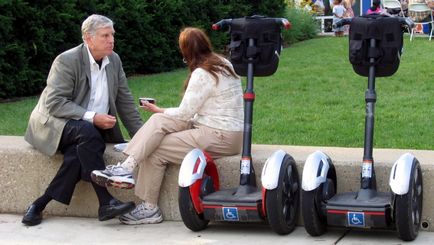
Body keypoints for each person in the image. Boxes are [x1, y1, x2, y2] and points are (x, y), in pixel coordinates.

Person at [91, 27, 244, 225]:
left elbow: (185, 114)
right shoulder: (222, 64)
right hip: (226, 132)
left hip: (218, 136)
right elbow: (191, 112)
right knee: (158, 122)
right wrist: (160, 111)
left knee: (154, 150)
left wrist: (161, 110)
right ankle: (125, 167)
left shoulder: (202, 73)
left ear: (186, 51)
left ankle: (149, 208)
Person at [22, 14, 144, 226]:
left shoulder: (114, 60)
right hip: (55, 123)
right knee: (89, 134)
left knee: (78, 154)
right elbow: (55, 103)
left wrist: (143, 138)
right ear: (88, 38)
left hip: (86, 133)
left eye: (112, 35)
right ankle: (105, 201)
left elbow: (125, 101)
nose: (111, 40)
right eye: (105, 35)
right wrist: (92, 117)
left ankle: (40, 203)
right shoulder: (66, 60)